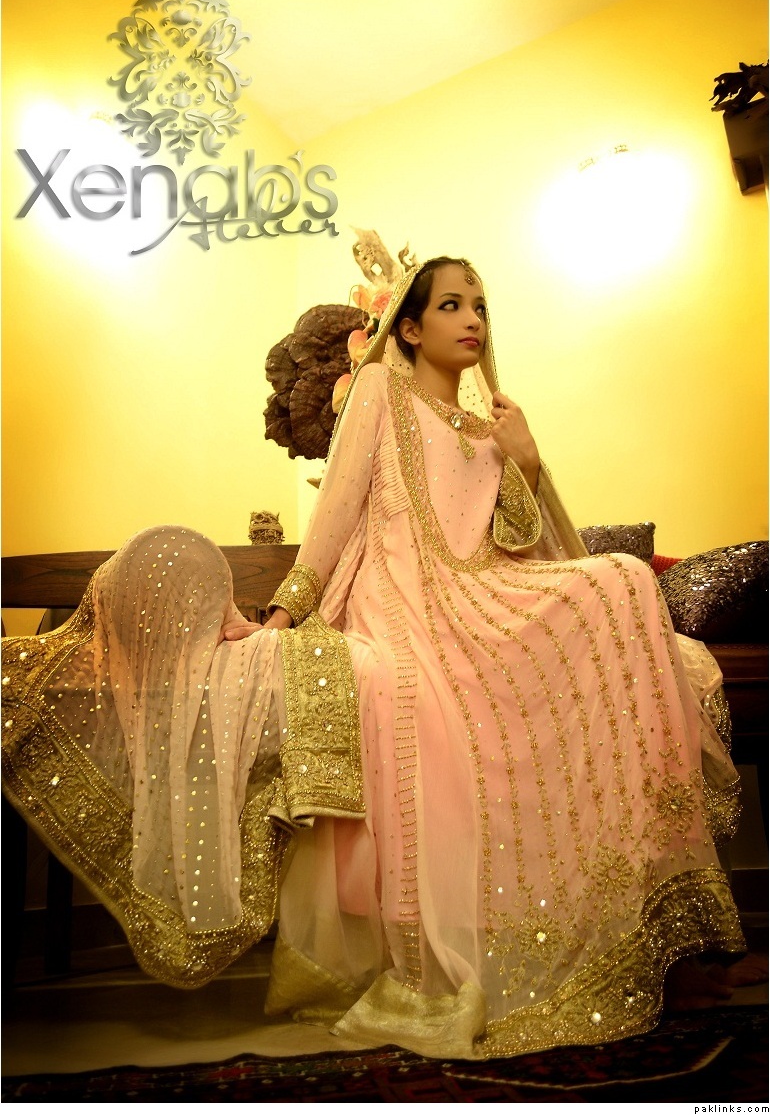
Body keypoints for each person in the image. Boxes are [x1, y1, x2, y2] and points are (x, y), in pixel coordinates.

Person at [1, 257, 748, 1059]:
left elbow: (524, 548)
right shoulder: (379, 393)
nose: (473, 320)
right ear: (411, 327)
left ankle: (661, 936)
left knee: (621, 579)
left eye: (480, 306)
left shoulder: (489, 430)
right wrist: (284, 612)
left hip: (484, 595)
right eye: (452, 305)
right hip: (408, 604)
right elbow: (336, 511)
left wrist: (525, 461)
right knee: (595, 596)